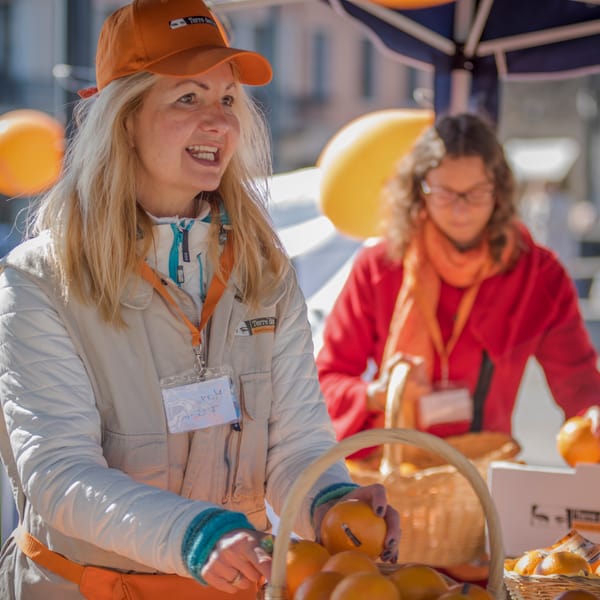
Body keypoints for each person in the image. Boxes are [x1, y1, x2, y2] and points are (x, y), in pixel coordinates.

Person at [0, 1, 400, 598]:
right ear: (124, 121)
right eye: (187, 98)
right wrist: (196, 533)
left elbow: (297, 443)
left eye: (229, 100)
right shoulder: (40, 279)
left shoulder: (267, 271)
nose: (219, 122)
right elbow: (57, 475)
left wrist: (330, 503)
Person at [316, 112, 600, 457]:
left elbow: (578, 379)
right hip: (390, 468)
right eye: (445, 194)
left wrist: (592, 413)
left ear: (499, 191)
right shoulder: (379, 266)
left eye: (476, 193)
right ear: (419, 190)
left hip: (481, 471)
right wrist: (377, 393)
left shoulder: (538, 274)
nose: (461, 210)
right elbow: (326, 380)